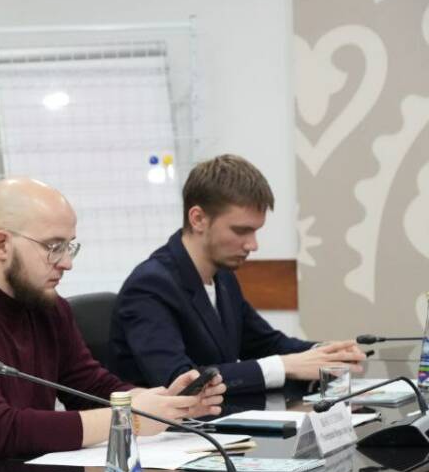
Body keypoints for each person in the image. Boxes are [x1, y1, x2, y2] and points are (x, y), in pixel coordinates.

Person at [0, 178, 225, 461]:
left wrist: (165, 402)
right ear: (1, 245)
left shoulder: (47, 305)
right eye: (54, 247)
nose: (67, 263)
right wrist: (128, 417)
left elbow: (90, 387)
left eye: (69, 246)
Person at [109, 154, 364, 394]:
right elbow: (181, 381)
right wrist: (284, 366)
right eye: (241, 231)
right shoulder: (149, 286)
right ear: (198, 219)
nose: (253, 245)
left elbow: (266, 344)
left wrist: (326, 353)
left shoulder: (223, 277)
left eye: (256, 231)